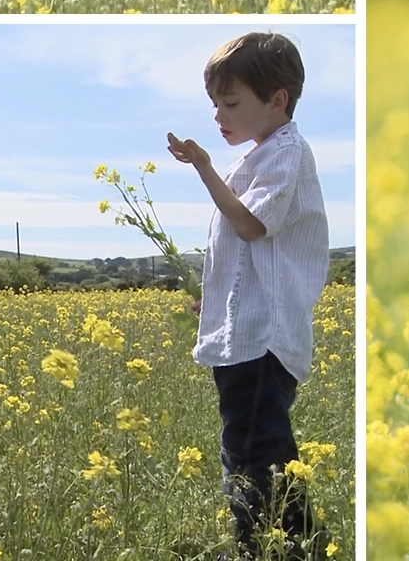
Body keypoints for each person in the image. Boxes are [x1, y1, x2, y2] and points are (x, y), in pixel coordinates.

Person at [166, 33, 329, 559]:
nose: (219, 115)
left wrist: (205, 169)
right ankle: (282, 541)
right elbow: (241, 257)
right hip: (242, 332)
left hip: (264, 337)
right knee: (250, 446)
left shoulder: (286, 153)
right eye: (215, 103)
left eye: (231, 103)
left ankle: (271, 544)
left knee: (256, 450)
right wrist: (211, 303)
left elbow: (251, 226)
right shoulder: (259, 158)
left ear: (278, 100)